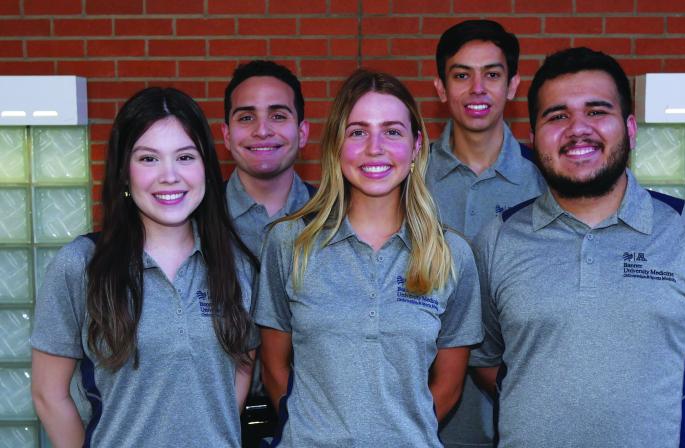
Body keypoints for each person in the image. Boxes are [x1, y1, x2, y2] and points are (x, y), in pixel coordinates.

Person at [470, 47, 685, 447]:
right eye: (558, 115)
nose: (577, 128)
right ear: (533, 138)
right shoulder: (498, 239)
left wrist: (650, 412)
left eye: (597, 111)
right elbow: (485, 359)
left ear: (631, 129)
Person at [257, 69, 482, 447]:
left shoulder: (450, 254)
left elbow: (449, 385)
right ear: (336, 146)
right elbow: (274, 368)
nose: (374, 148)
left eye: (392, 132)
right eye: (358, 131)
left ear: (415, 147)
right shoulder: (289, 243)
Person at [30, 87, 258, 447]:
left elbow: (242, 365)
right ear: (124, 172)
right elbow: (48, 393)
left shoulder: (236, 265)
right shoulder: (81, 265)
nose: (169, 176)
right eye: (148, 159)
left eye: (185, 157)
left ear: (206, 168)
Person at [427, 19, 545, 447]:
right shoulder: (405, 181)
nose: (477, 89)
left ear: (512, 84)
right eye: (462, 75)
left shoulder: (548, 181)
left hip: (528, 415)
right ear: (441, 87)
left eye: (491, 74)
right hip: (429, 416)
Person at [222, 60, 313, 257]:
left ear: (302, 133)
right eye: (246, 117)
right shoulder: (197, 216)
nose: (262, 131)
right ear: (227, 136)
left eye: (278, 116)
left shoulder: (334, 216)